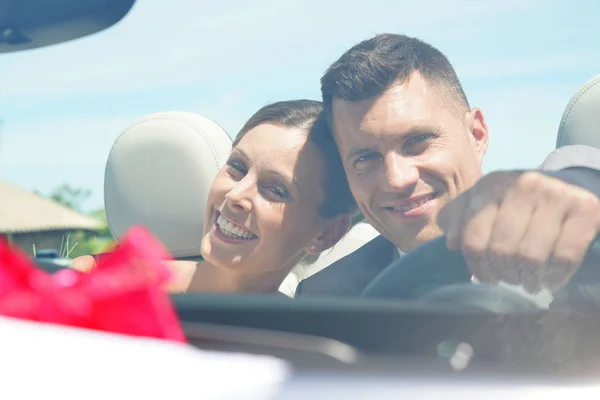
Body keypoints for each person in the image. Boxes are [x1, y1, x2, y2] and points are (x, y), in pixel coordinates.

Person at [296, 33, 600, 296]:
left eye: (417, 142)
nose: (396, 179)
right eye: (365, 158)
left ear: (476, 134)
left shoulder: (581, 256)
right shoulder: (324, 298)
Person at [72, 100, 356, 294]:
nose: (236, 194)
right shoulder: (95, 283)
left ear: (325, 233)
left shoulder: (315, 338)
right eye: (237, 167)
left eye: (276, 190)